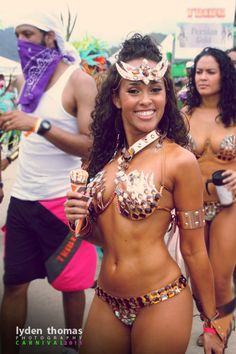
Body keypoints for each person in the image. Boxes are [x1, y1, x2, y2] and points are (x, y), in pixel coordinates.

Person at [65, 34, 225, 354]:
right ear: (116, 97)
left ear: (167, 94)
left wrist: (211, 322)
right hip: (107, 300)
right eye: (134, 90)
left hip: (161, 300)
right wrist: (79, 223)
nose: (146, 100)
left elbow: (194, 251)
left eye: (155, 89)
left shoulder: (179, 160)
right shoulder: (105, 159)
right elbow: (108, 238)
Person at [0, 11, 98, 354]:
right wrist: (7, 157)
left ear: (50, 36)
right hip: (23, 199)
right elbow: (25, 137)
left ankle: (72, 346)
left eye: (29, 34)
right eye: (18, 35)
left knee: (72, 286)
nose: (21, 42)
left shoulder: (78, 81)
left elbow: (90, 144)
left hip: (63, 202)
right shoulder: (28, 80)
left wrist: (38, 123)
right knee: (13, 284)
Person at [182, 47, 236, 349]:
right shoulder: (183, 114)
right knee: (199, 280)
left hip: (230, 207)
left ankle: (218, 334)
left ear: (223, 75)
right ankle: (211, 322)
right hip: (193, 206)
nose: (202, 77)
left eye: (210, 71)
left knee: (219, 279)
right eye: (198, 72)